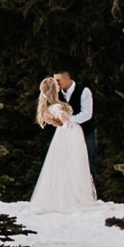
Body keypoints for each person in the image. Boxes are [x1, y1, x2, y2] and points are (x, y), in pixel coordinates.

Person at [29, 72, 98, 212]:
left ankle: (72, 193)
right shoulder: (57, 104)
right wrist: (67, 123)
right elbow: (64, 121)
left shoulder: (81, 92)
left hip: (67, 133)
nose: (58, 84)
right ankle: (73, 196)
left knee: (68, 163)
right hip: (71, 133)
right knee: (73, 162)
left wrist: (59, 123)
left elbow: (85, 114)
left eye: (58, 81)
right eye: (55, 83)